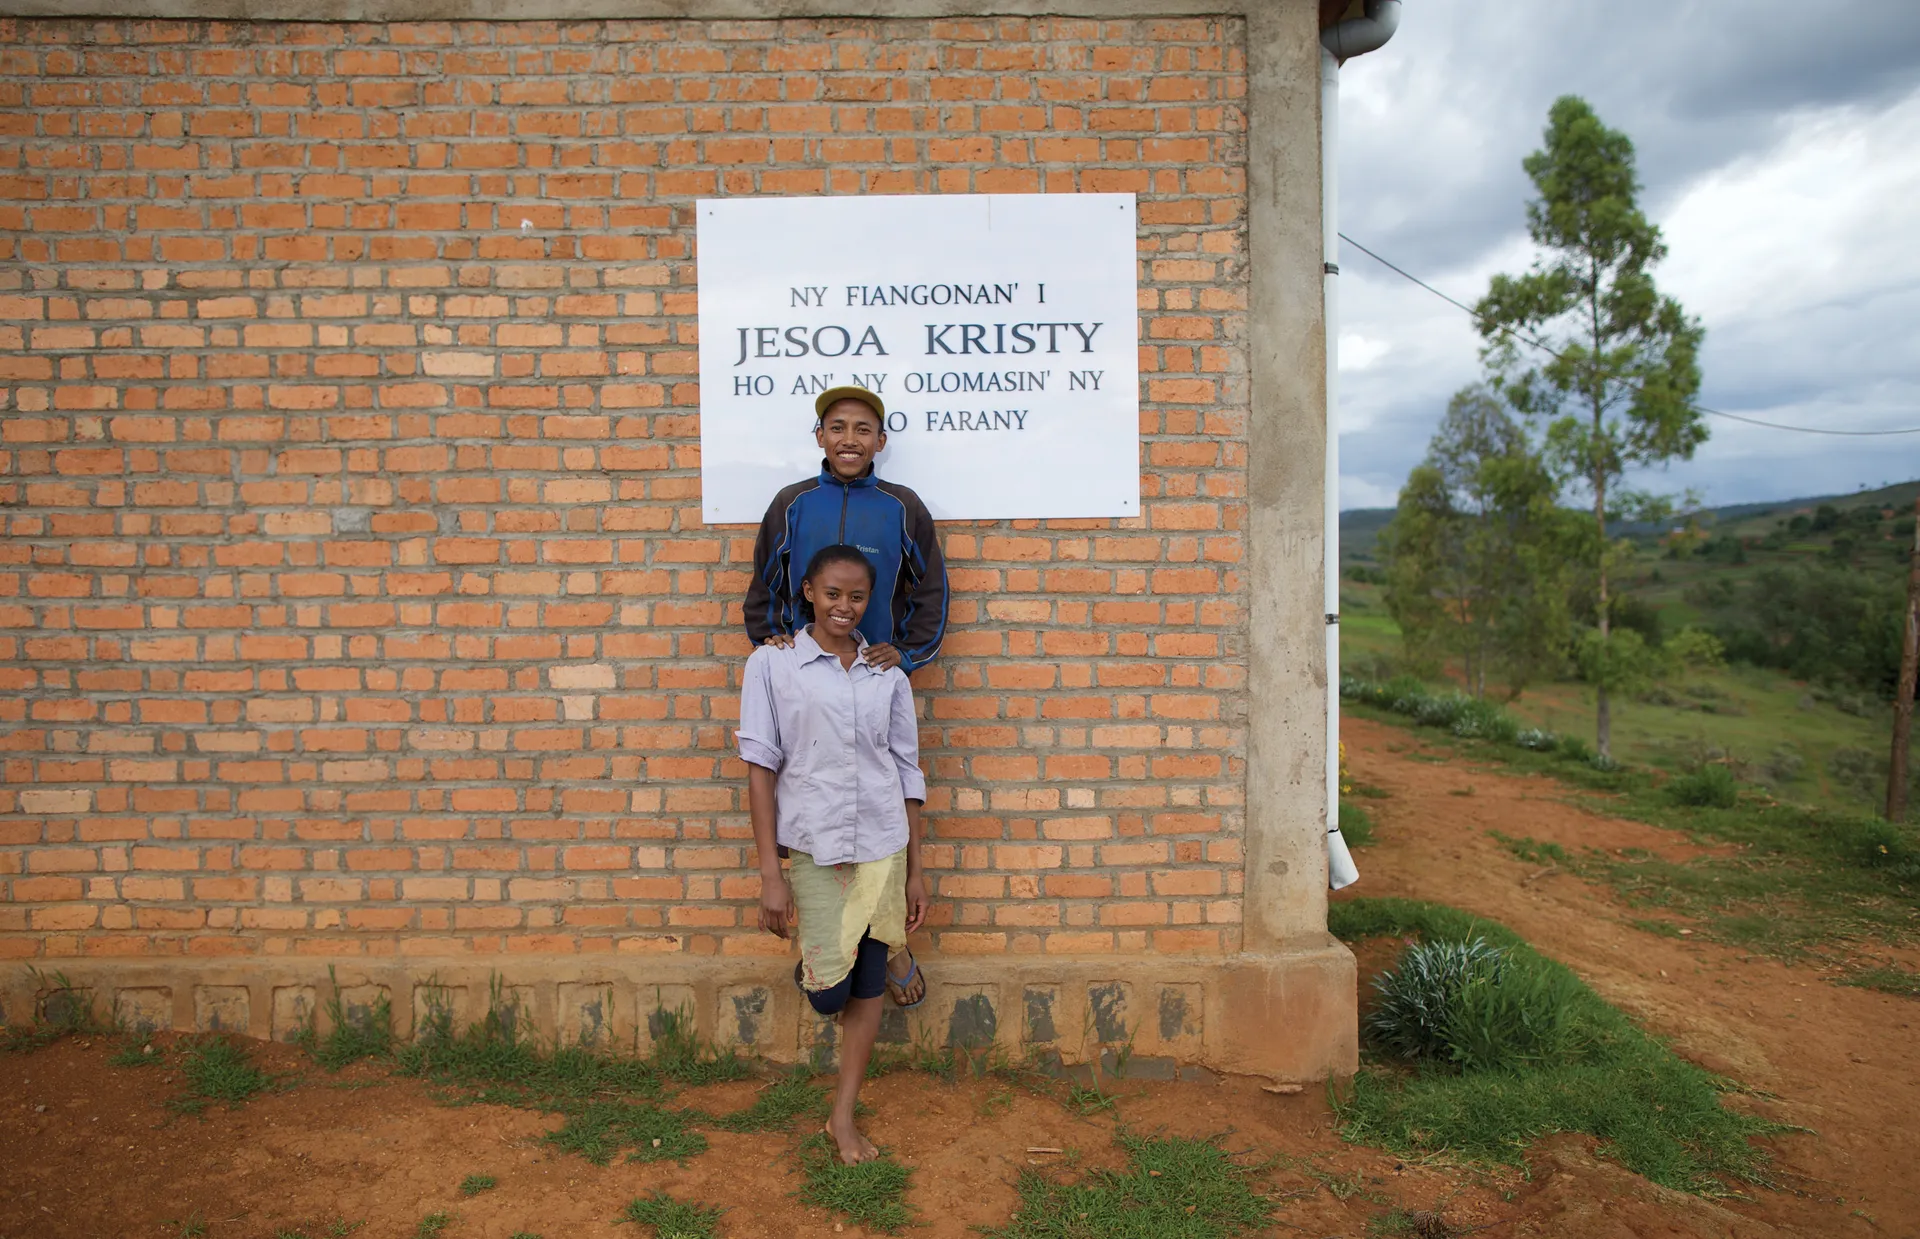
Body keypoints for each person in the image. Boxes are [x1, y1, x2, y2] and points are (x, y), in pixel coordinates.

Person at [736, 542, 930, 1166]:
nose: (843, 607)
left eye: (856, 597)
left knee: (866, 983)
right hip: (817, 849)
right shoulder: (773, 666)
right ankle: (887, 948)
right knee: (828, 994)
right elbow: (760, 767)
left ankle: (841, 1117)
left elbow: (906, 771)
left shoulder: (888, 676)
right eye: (831, 594)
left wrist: (917, 872)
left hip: (881, 845)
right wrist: (772, 871)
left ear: (869, 601)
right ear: (808, 594)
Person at [745, 385, 948, 673]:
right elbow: (765, 584)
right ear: (820, 436)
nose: (849, 440)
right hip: (801, 669)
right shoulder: (791, 503)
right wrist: (770, 637)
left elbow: (931, 590)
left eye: (863, 430)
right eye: (838, 428)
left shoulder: (903, 506)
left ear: (880, 441)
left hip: (875, 671)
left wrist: (906, 654)